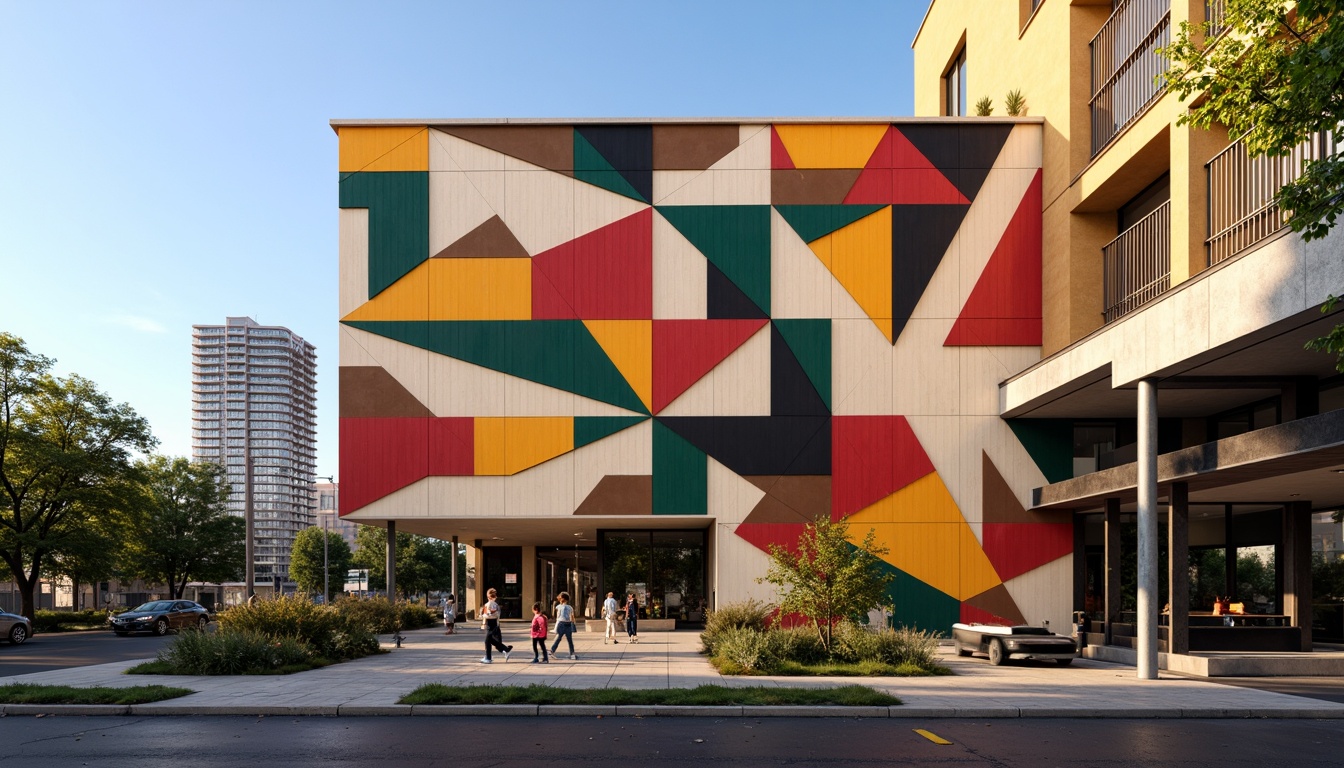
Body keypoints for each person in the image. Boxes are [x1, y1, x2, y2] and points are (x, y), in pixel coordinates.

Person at [480, 588, 512, 663]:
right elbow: (496, 614)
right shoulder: (495, 605)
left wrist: (483, 615)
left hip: (491, 623)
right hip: (494, 623)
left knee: (488, 640)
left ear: (488, 596)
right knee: (489, 640)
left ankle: (490, 657)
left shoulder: (489, 604)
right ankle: (489, 656)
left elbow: (489, 614)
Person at [550, 591, 577, 660]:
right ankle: (572, 654)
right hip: (568, 624)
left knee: (558, 638)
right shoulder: (570, 607)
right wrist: (573, 624)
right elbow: (572, 616)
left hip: (561, 624)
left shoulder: (558, 606)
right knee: (569, 640)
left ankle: (552, 651)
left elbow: (557, 616)